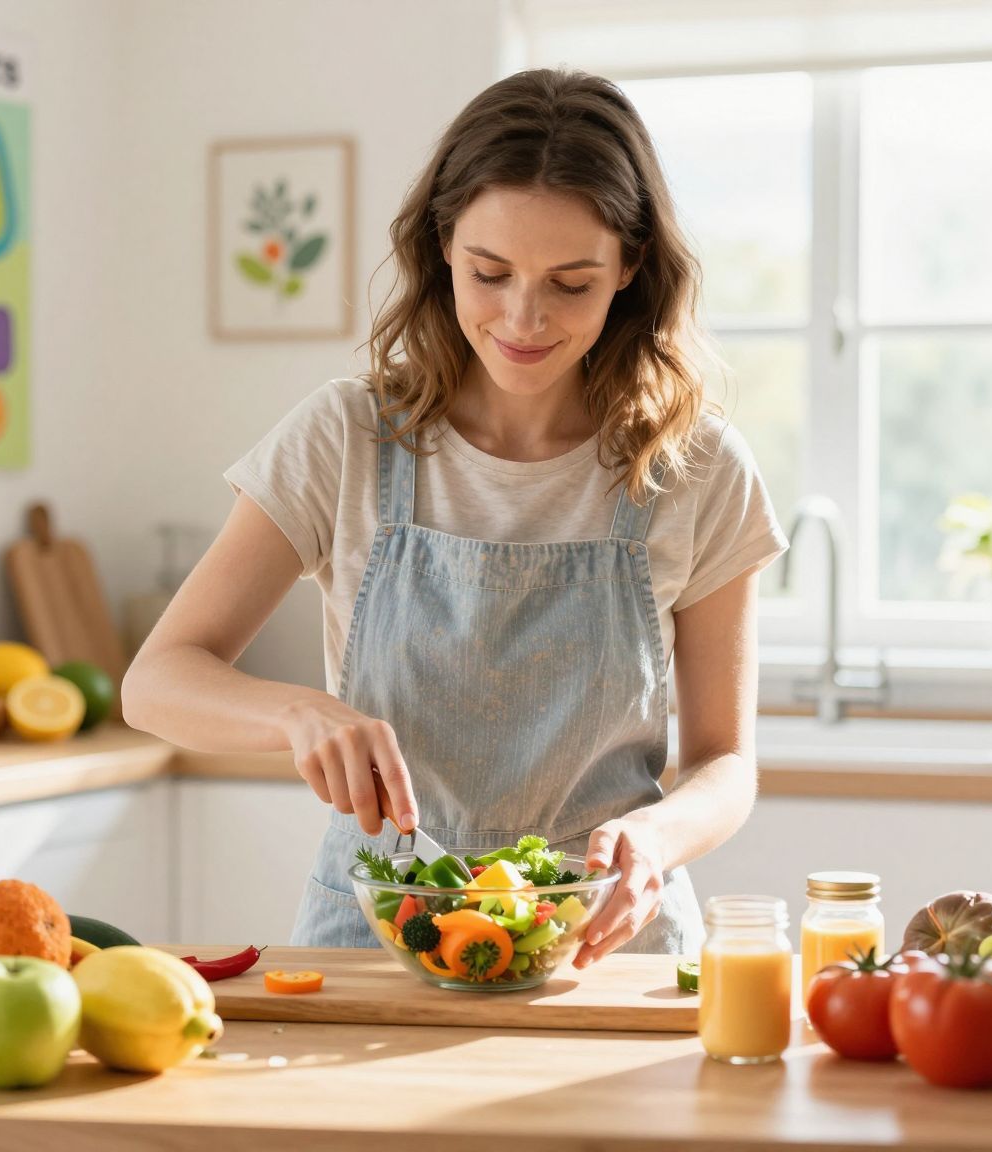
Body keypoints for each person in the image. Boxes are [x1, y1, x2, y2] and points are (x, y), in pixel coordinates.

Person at [123, 68, 785, 963]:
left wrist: (658, 841)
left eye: (571, 283)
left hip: (603, 947)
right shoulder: (348, 437)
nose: (524, 317)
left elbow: (723, 763)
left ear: (629, 269)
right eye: (491, 273)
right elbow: (157, 680)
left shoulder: (697, 468)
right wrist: (299, 716)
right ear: (442, 247)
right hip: (374, 941)